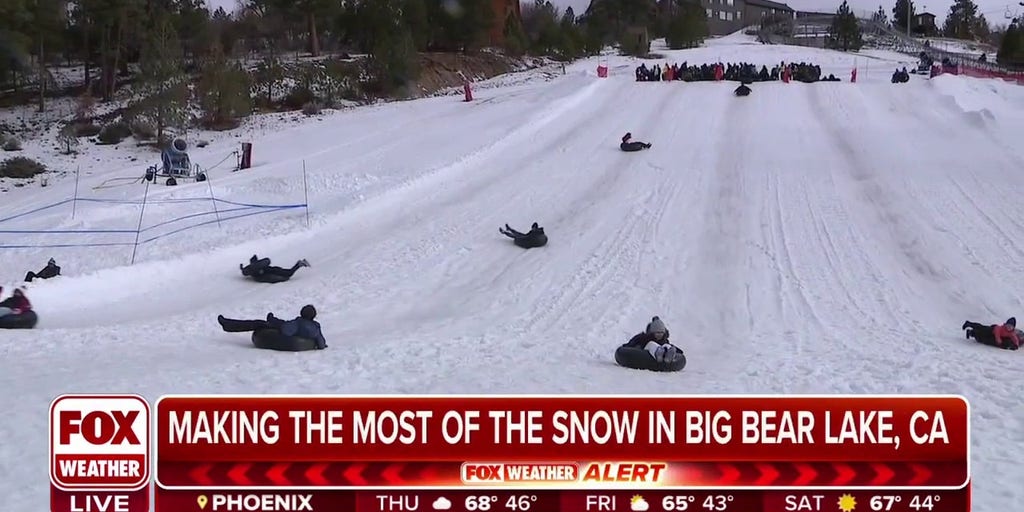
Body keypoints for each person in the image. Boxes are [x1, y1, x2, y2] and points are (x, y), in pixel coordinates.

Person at [218, 305, 327, 349]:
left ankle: (228, 325)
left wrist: (276, 324)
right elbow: (321, 342)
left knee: (258, 323)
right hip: (290, 329)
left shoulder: (299, 322)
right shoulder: (316, 327)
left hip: (284, 333)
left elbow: (286, 331)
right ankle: (272, 319)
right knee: (277, 322)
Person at [240, 255, 310, 281]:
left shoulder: (255, 273)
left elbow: (269, 278)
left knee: (289, 273)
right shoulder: (255, 273)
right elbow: (269, 278)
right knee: (289, 273)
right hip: (274, 271)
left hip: (274, 271)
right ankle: (300, 264)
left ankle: (299, 264)